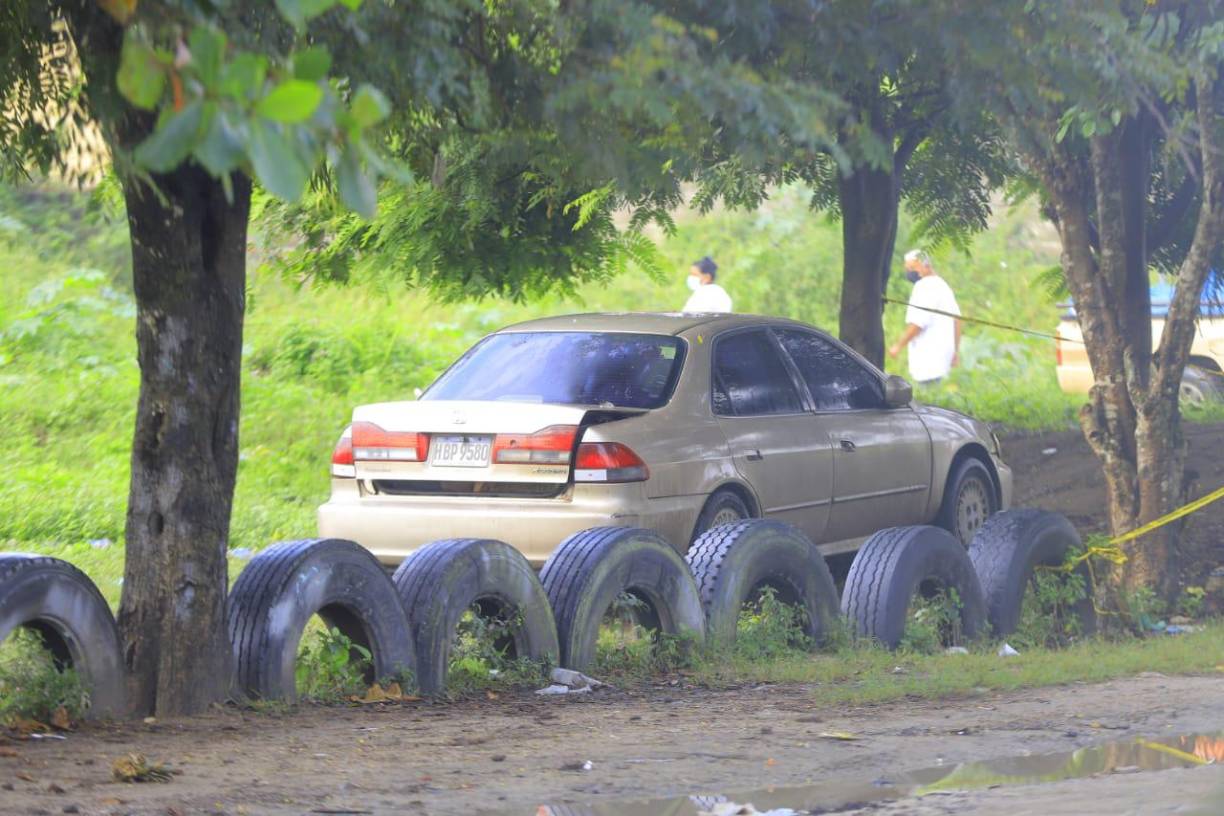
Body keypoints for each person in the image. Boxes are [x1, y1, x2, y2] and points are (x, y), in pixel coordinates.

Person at [888, 249, 961, 385]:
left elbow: (917, 324)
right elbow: (957, 320)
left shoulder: (923, 287)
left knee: (928, 400)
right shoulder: (942, 285)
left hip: (928, 359)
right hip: (943, 358)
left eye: (912, 268)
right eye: (907, 269)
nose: (909, 273)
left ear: (925, 265)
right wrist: (955, 351)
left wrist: (898, 346)